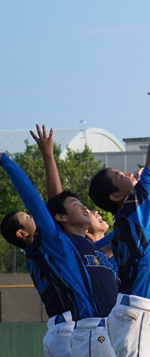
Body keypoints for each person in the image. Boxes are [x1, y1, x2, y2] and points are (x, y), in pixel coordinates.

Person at [87, 79, 150, 356]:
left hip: (138, 311)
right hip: (136, 313)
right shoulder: (132, 209)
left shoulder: (131, 215)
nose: (129, 175)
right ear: (116, 197)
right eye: (121, 176)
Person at [2, 152, 118, 356]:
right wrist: (6, 161)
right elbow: (42, 201)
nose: (83, 208)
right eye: (28, 216)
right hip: (74, 328)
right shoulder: (53, 243)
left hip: (85, 328)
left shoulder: (86, 248)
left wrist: (146, 201)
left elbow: (125, 231)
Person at [0, 126, 75, 357]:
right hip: (70, 330)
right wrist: (47, 156)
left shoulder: (38, 251)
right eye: (27, 217)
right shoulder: (42, 245)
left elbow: (56, 204)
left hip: (59, 330)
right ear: (22, 234)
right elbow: (54, 201)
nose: (33, 216)